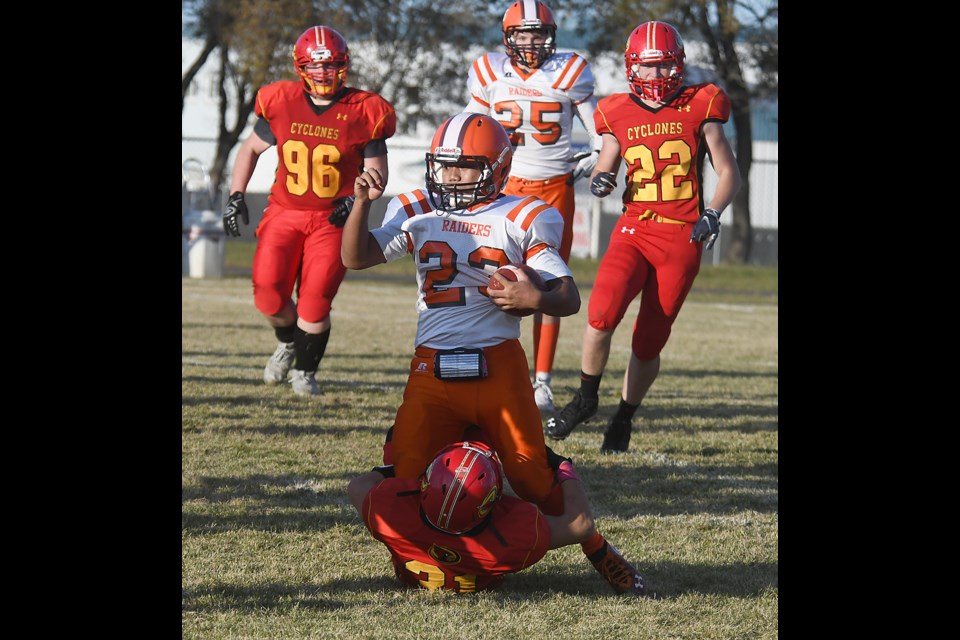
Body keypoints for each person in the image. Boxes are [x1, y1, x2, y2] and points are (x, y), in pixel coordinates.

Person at [341, 112, 579, 516]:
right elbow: (356, 256)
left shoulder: (523, 215)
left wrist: (535, 299)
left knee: (532, 481)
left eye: (465, 167)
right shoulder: (417, 207)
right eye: (445, 165)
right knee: (408, 477)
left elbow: (568, 296)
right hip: (431, 369)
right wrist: (361, 204)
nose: (451, 176)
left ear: (498, 168)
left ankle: (587, 532)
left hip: (498, 365)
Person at [545, 21, 742, 453]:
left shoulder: (701, 102)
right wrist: (600, 179)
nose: (655, 77)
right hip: (634, 228)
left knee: (649, 339)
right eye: (647, 68)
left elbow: (729, 171)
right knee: (600, 315)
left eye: (664, 67)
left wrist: (713, 211)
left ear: (679, 65)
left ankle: (624, 417)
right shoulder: (616, 109)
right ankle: (586, 397)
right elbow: (607, 163)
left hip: (682, 236)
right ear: (632, 67)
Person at [222, 25, 396, 396]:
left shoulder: (366, 109)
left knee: (315, 302)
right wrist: (236, 193)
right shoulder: (280, 99)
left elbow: (378, 173)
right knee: (267, 294)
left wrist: (356, 199)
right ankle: (288, 342)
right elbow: (250, 149)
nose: (323, 73)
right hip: (285, 211)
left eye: (331, 65)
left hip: (334, 220)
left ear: (344, 65)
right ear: (300, 67)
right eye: (315, 66)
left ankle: (305, 371)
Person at [463, 0, 602, 415]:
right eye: (522, 34)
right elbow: (472, 126)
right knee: (482, 273)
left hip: (553, 189)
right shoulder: (488, 71)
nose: (530, 41)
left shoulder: (570, 70)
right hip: (502, 189)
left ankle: (542, 381)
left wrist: (596, 152)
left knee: (546, 284)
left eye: (538, 33)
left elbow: (598, 128)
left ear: (551, 35)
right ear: (508, 37)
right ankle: (480, 361)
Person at [348, 438, 646, 595]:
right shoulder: (512, 538)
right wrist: (562, 466)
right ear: (490, 504)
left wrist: (398, 469)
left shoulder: (387, 509)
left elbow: (358, 486)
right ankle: (601, 553)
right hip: (484, 555)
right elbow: (581, 524)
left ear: (423, 487)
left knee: (397, 439)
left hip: (414, 570)